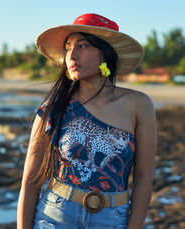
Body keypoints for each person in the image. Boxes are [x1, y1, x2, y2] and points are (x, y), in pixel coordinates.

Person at [17, 13, 157, 229]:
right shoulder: (53, 108)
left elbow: (144, 176)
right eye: (68, 48)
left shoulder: (138, 105)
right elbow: (30, 181)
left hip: (112, 220)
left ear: (106, 53)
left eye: (83, 46)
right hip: (54, 216)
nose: (72, 55)